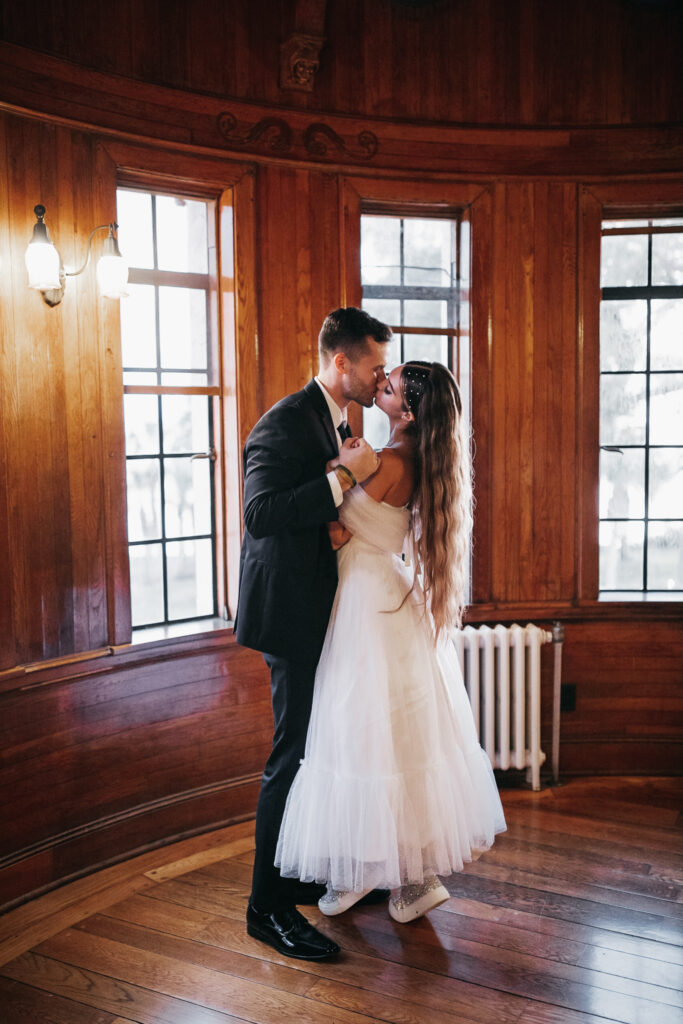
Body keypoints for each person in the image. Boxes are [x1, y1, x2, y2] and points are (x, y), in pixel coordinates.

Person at [276, 360, 507, 923]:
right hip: (384, 593)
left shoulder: (390, 460)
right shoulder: (411, 456)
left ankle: (397, 879)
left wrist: (341, 468)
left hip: (368, 599)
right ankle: (388, 876)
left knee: (361, 738)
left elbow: (336, 527)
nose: (383, 382)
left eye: (392, 382)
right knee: (391, 741)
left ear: (407, 408)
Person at [235, 307, 392, 961]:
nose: (379, 378)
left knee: (315, 747)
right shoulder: (281, 421)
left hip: (322, 608)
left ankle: (298, 874)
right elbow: (260, 513)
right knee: (289, 756)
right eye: (374, 366)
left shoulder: (338, 421)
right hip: (289, 613)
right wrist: (343, 478)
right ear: (340, 362)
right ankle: (264, 908)